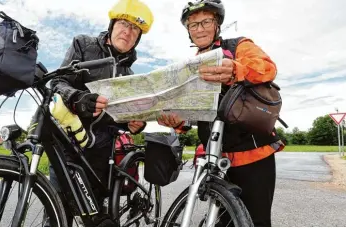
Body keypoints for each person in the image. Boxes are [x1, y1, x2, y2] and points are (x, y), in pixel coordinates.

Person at [157, 0, 284, 226]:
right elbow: (197, 112)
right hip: (215, 155)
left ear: (217, 24)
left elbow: (268, 68)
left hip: (252, 152)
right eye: (193, 25)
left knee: (257, 220)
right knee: (222, 220)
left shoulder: (238, 46)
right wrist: (178, 122)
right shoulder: (191, 66)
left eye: (206, 21)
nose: (200, 29)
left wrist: (236, 69)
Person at [46, 0, 154, 225]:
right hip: (67, 143)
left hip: (101, 153)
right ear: (112, 24)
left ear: (138, 37)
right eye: (124, 23)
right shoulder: (83, 45)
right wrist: (77, 99)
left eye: (135, 28)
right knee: (58, 213)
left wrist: (132, 123)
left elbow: (118, 117)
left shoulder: (130, 73)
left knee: (94, 216)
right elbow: (58, 81)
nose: (128, 31)